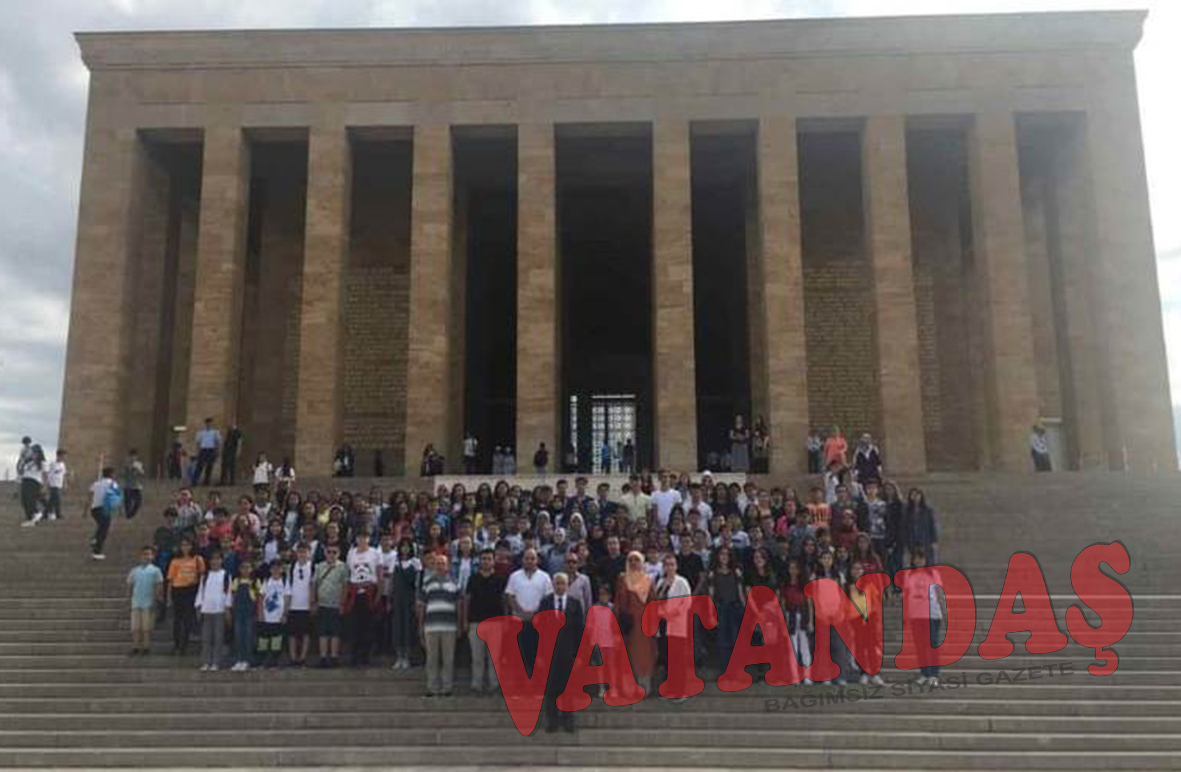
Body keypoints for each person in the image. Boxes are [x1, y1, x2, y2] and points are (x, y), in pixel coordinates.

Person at [539, 572, 584, 731]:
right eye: (557, 583)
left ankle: (568, 720)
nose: (559, 586)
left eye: (562, 583)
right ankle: (552, 721)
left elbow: (580, 631)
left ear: (567, 585)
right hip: (549, 654)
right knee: (551, 688)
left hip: (569, 653)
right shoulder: (545, 603)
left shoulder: (575, 604)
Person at [463, 549, 507, 694]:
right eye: (483, 559)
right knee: (477, 657)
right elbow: (467, 600)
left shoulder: (501, 579)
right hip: (476, 622)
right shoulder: (473, 578)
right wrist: (465, 620)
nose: (486, 561)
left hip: (496, 623)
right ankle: (477, 685)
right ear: (480, 561)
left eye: (489, 559)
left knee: (494, 657)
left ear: (494, 561)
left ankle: (494, 685)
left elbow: (504, 601)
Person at [615, 551, 656, 696]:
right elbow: (619, 601)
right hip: (628, 625)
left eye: (636, 560)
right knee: (627, 655)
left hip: (644, 625)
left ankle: (644, 687)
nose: (633, 563)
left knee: (644, 655)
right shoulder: (622, 579)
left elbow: (653, 602)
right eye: (630, 560)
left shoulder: (648, 580)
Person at [418, 553, 460, 697]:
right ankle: (432, 688)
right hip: (430, 627)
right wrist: (420, 625)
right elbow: (422, 606)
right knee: (432, 659)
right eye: (437, 563)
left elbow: (459, 605)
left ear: (447, 566)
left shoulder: (454, 583)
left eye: (443, 563)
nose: (440, 566)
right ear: (433, 566)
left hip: (449, 627)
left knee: (448, 659)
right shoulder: (427, 583)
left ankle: (446, 688)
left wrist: (460, 624)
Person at [506, 548, 552, 671]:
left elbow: (547, 599)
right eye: (527, 558)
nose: (530, 561)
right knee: (519, 654)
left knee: (537, 654)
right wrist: (521, 612)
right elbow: (510, 596)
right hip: (519, 621)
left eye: (532, 558)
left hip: (538, 622)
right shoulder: (514, 576)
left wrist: (535, 613)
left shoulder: (545, 577)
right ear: (522, 560)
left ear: (537, 560)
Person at [654, 554, 691, 702]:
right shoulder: (660, 582)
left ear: (676, 566)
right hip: (663, 624)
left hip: (676, 625)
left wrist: (672, 613)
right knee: (667, 658)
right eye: (667, 564)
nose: (669, 567)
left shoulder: (681, 582)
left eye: (672, 564)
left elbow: (686, 603)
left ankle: (680, 691)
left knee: (678, 658)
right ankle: (669, 689)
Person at [905, 549, 945, 687]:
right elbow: (907, 595)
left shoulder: (933, 574)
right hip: (916, 615)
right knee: (920, 646)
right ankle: (924, 673)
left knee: (932, 645)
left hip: (932, 614)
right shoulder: (909, 575)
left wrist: (944, 610)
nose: (919, 561)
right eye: (916, 559)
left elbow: (939, 593)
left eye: (921, 559)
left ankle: (934, 674)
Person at [345, 531, 380, 666]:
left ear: (369, 538)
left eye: (365, 537)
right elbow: (349, 572)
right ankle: (354, 656)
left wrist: (378, 593)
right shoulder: (351, 553)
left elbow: (378, 574)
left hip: (369, 592)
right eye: (359, 537)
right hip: (354, 592)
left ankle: (365, 656)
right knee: (354, 627)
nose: (362, 540)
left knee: (367, 627)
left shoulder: (374, 553)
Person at [387, 538, 422, 671]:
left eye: (407, 547)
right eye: (403, 547)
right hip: (397, 598)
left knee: (408, 627)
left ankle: (407, 657)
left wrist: (417, 600)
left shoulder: (415, 562)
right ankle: (398, 657)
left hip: (410, 598)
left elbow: (418, 584)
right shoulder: (394, 562)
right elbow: (391, 581)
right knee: (397, 627)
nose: (405, 549)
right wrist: (390, 599)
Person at [312, 545, 349, 668]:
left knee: (335, 633)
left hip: (336, 604)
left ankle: (334, 657)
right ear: (325, 553)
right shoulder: (319, 566)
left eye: (334, 552)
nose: (331, 554)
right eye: (329, 552)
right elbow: (314, 585)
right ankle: (323, 657)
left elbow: (345, 586)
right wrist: (314, 602)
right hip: (322, 603)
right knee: (322, 632)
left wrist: (342, 603)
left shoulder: (343, 567)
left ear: (339, 553)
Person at [167, 537, 205, 655]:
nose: (185, 548)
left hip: (191, 590)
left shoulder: (197, 559)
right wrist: (168, 596)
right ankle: (177, 644)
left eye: (188, 545)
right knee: (177, 620)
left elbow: (202, 575)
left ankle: (184, 645)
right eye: (183, 545)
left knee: (188, 619)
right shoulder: (175, 561)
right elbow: (170, 579)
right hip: (177, 590)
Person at [195, 551, 231, 672]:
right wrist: (199, 606)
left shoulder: (225, 575)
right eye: (213, 559)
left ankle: (216, 662)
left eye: (217, 559)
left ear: (221, 561)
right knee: (206, 638)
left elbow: (228, 592)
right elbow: (201, 591)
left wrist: (227, 608)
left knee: (218, 638)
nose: (215, 562)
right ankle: (206, 662)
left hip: (219, 610)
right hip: (207, 609)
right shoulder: (205, 575)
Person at [127, 546, 164, 656]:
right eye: (144, 554)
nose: (146, 556)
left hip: (149, 602)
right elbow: (130, 585)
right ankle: (136, 646)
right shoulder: (134, 570)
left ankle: (146, 646)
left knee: (147, 627)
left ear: (153, 556)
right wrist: (129, 599)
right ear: (140, 556)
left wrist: (156, 599)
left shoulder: (156, 570)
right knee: (135, 627)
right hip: (136, 601)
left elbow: (159, 585)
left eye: (149, 554)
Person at [285, 543, 315, 667]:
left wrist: (312, 603)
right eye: (299, 552)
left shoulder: (313, 567)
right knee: (292, 634)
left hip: (306, 606)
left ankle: (302, 657)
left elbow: (314, 586)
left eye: (304, 552)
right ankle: (293, 657)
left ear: (309, 553)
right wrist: (286, 608)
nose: (302, 554)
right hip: (293, 605)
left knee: (306, 633)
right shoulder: (292, 567)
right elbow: (288, 588)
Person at [229, 557, 258, 672]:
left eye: (248, 567)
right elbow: (233, 596)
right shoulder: (236, 581)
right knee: (238, 636)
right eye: (243, 567)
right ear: (240, 569)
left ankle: (247, 660)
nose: (245, 570)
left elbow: (257, 598)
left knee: (248, 636)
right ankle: (239, 660)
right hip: (238, 612)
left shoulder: (255, 582)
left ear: (251, 569)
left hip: (249, 612)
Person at [257, 560, 288, 669]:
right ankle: (262, 662)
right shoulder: (266, 581)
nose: (275, 570)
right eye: (273, 568)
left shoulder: (285, 581)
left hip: (278, 617)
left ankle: (274, 662)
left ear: (281, 569)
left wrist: (285, 614)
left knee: (277, 641)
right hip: (266, 616)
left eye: (278, 568)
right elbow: (261, 597)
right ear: (270, 570)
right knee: (263, 641)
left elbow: (287, 597)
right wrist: (260, 613)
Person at [87, 466, 120, 560]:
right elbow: (116, 496)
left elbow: (89, 496)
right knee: (104, 529)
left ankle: (95, 539)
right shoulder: (113, 483)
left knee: (101, 526)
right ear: (112, 474)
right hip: (104, 509)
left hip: (94, 509)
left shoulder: (96, 483)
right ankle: (97, 551)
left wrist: (85, 510)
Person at [17, 442, 46, 526]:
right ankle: (31, 519)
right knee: (24, 500)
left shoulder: (42, 463)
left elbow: (44, 475)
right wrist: (22, 462)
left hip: (34, 482)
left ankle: (36, 513)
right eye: (32, 452)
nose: (33, 453)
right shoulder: (28, 462)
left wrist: (44, 486)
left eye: (35, 452)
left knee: (30, 499)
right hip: (25, 480)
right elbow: (21, 471)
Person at [193, 418, 221, 486]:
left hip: (211, 450)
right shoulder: (201, 432)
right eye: (208, 423)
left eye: (211, 423)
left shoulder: (215, 432)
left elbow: (217, 442)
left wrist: (217, 451)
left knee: (209, 466)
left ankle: (206, 481)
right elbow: (198, 442)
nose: (209, 424)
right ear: (206, 424)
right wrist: (197, 451)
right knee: (199, 466)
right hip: (203, 450)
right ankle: (194, 481)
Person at [45, 449, 67, 522]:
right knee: (56, 499)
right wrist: (47, 483)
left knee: (52, 500)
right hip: (53, 484)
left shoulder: (63, 465)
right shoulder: (52, 464)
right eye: (63, 456)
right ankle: (57, 514)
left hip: (59, 484)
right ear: (59, 456)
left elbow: (63, 475)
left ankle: (46, 513)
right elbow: (48, 474)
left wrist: (64, 483)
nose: (64, 458)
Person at [123, 449, 146, 520]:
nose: (133, 458)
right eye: (131, 456)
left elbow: (142, 473)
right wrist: (129, 468)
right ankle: (128, 514)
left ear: (137, 457)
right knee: (127, 502)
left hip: (136, 486)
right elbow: (124, 473)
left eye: (134, 456)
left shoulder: (139, 464)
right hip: (128, 486)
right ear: (129, 456)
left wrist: (137, 469)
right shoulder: (126, 464)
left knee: (138, 502)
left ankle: (132, 513)